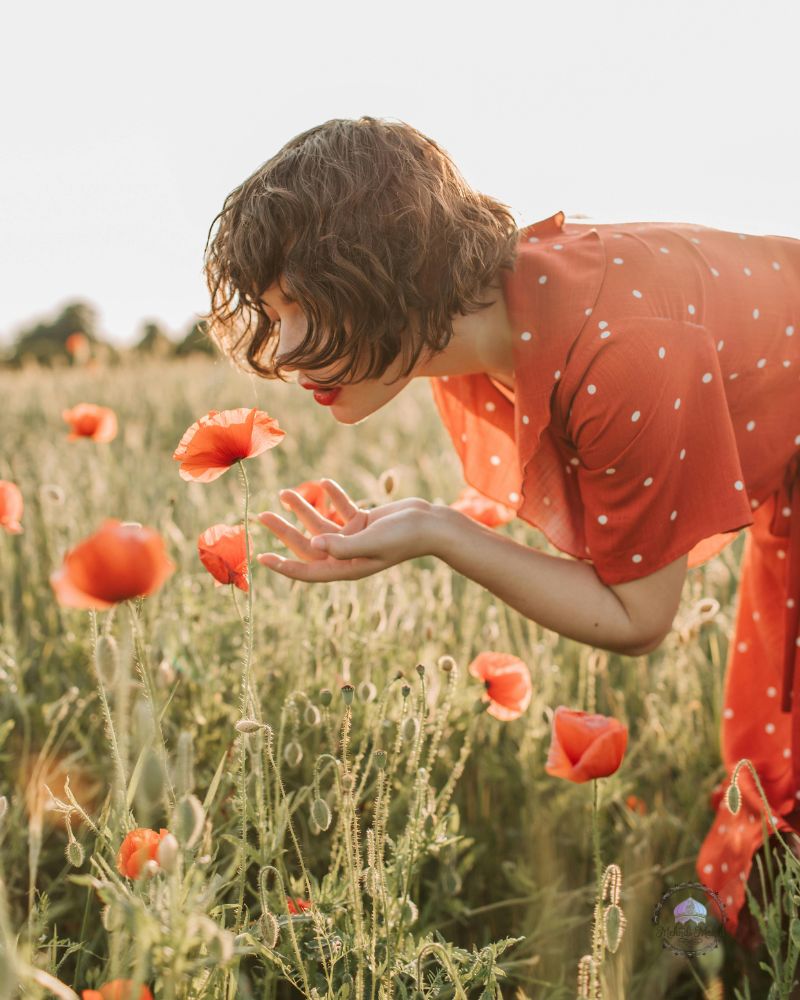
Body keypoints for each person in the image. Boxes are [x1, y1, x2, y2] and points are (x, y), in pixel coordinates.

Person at [202, 115, 800, 945]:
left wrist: (440, 532)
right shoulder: (499, 320)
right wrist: (427, 524)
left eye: (302, 305)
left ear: (392, 270)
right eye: (272, 312)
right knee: (772, 747)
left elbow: (637, 616)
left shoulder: (615, 348)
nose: (286, 350)